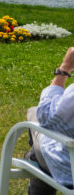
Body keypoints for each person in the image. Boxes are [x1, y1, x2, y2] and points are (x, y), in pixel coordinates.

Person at [27, 47, 74, 193]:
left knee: (34, 113)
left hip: (69, 171)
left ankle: (33, 156)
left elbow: (46, 116)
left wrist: (64, 69)